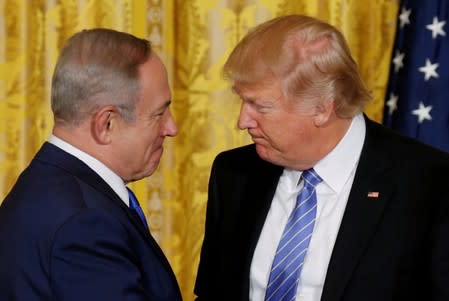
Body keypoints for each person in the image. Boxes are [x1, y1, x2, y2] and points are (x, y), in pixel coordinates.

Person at [194, 14, 449, 301]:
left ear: (322, 108)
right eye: (242, 101)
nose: (242, 121)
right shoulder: (234, 173)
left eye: (260, 106)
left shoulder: (431, 186)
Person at [0, 28, 182, 300]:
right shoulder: (84, 224)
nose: (172, 127)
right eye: (159, 113)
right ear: (106, 124)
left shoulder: (45, 185)